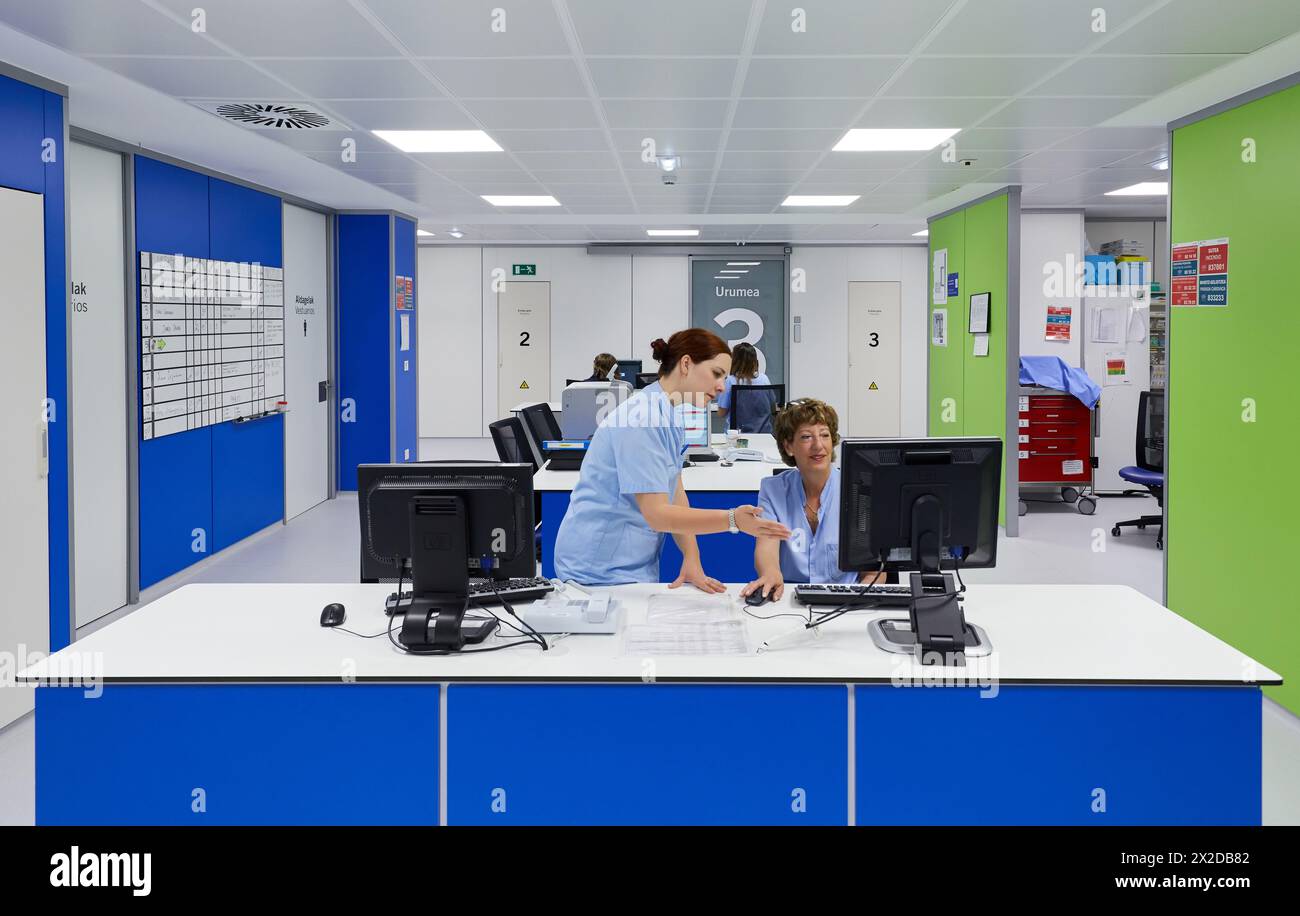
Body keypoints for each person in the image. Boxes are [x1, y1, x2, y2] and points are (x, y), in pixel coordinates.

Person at [555, 329, 791, 588]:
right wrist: (733, 519)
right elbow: (657, 515)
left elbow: (674, 490)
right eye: (716, 374)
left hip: (627, 566)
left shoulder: (667, 414)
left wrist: (692, 557)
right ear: (686, 364)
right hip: (596, 571)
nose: (722, 386)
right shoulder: (643, 418)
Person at [740, 398, 886, 602]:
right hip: (790, 599)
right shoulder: (773, 490)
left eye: (825, 435)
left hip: (847, 601)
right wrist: (771, 573)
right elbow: (766, 547)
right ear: (789, 446)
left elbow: (873, 570)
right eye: (807, 437)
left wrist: (861, 600)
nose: (818, 445)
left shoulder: (860, 490)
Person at [715, 342, 773, 433]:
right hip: (763, 435)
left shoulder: (730, 381)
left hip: (737, 437)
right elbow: (772, 405)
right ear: (754, 360)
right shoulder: (764, 379)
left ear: (734, 361)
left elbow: (722, 413)